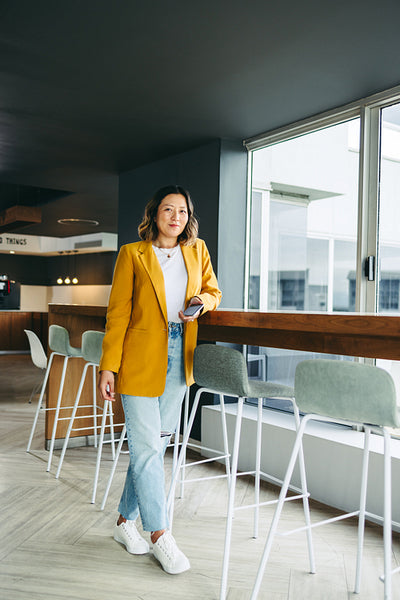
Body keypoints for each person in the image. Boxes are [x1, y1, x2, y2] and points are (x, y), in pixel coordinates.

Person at [98, 184, 221, 575]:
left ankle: (122, 523)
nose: (175, 218)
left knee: (156, 444)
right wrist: (108, 366)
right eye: (168, 210)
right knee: (148, 448)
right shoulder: (131, 254)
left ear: (188, 217)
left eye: (182, 212)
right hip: (137, 358)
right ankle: (159, 534)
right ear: (155, 214)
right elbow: (117, 313)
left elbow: (212, 289)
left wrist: (202, 303)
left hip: (178, 355)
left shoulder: (196, 250)